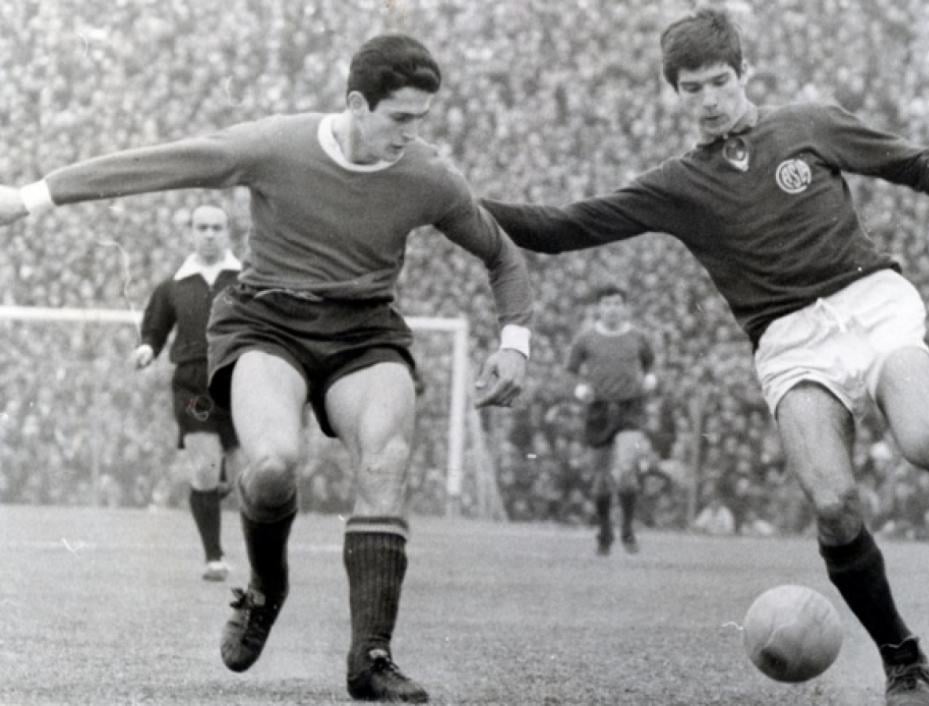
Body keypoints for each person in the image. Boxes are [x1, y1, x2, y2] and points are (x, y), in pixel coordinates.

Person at [482, 8, 929, 705]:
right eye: (690, 89)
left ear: (743, 72)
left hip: (870, 307)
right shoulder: (675, 185)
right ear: (675, 93)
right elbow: (562, 228)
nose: (708, 99)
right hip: (788, 342)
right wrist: (457, 204)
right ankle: (903, 661)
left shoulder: (806, 124)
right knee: (835, 505)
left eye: (719, 81)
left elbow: (912, 161)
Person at [0, 34, 533, 704]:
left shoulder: (428, 177)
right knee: (273, 465)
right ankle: (265, 589)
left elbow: (503, 256)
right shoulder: (277, 146)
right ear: (356, 104)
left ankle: (371, 657)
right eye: (400, 118)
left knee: (386, 461)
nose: (411, 135)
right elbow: (164, 164)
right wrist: (33, 196)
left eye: (421, 121)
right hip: (266, 322)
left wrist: (515, 339)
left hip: (364, 331)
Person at [131, 204, 243, 582]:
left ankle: (230, 478)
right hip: (194, 385)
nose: (209, 234)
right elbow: (155, 329)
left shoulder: (247, 279)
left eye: (216, 227)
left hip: (241, 381)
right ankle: (213, 557)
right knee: (206, 466)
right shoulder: (174, 285)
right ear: (191, 233)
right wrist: (148, 348)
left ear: (228, 232)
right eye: (202, 227)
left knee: (251, 476)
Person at [567, 284, 656, 555]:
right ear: (598, 308)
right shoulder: (586, 339)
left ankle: (627, 529)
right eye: (607, 304)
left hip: (630, 409)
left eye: (617, 304)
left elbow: (650, 364)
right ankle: (605, 531)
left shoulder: (638, 337)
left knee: (626, 469)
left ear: (625, 307)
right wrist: (579, 388)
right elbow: (571, 371)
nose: (612, 309)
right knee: (601, 479)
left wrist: (651, 378)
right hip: (598, 410)